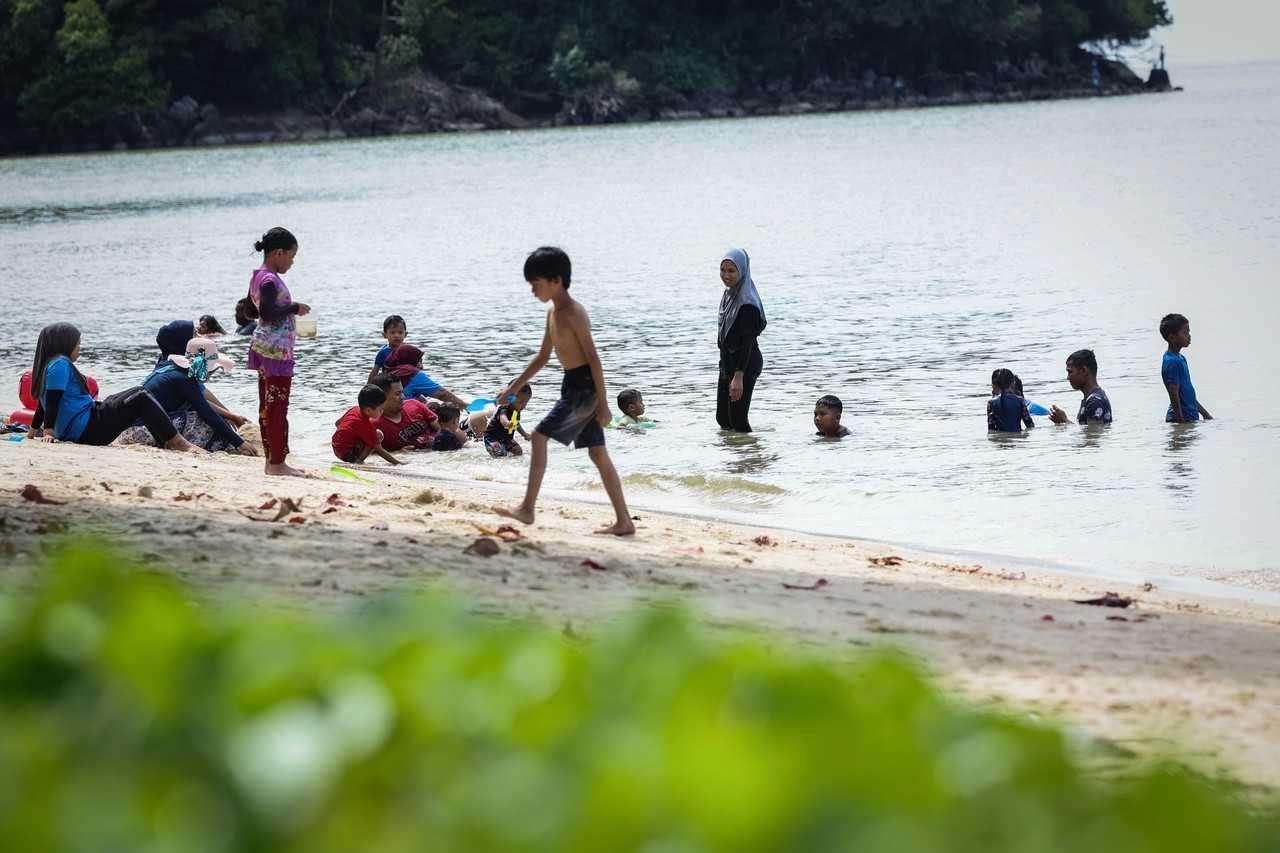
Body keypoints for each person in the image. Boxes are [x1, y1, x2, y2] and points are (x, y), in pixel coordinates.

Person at [493, 247, 634, 535]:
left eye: (536, 283)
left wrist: (604, 404)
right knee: (597, 454)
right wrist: (513, 387)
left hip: (584, 389)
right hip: (571, 384)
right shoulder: (553, 313)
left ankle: (528, 509)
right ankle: (624, 521)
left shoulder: (574, 313)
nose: (533, 290)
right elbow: (543, 357)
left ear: (556, 280)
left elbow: (594, 360)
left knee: (539, 436)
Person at [27, 322, 200, 453]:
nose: (79, 348)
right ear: (64, 344)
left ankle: (168, 441)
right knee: (140, 397)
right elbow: (51, 403)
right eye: (77, 343)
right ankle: (176, 442)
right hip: (88, 429)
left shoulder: (49, 366)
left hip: (87, 421)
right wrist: (48, 432)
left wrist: (32, 433)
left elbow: (42, 405)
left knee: (133, 394)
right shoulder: (60, 365)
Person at [241, 226, 311, 476]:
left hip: (263, 347)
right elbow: (268, 313)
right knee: (277, 406)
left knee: (267, 406)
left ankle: (272, 462)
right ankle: (277, 464)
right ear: (278, 253)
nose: (292, 262)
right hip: (275, 352)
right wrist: (294, 307)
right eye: (291, 257)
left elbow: (250, 311)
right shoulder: (270, 279)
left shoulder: (258, 277)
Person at [123, 337, 257, 454]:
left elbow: (201, 403)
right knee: (203, 421)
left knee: (205, 416)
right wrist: (239, 442)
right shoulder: (184, 379)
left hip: (130, 429)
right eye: (211, 372)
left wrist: (231, 416)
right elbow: (207, 413)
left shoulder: (173, 369)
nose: (210, 377)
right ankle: (227, 448)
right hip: (140, 431)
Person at [716, 248, 766, 433]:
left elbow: (746, 342)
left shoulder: (747, 304)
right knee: (723, 419)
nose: (726, 275)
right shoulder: (729, 296)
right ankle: (732, 458)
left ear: (742, 271)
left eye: (731, 271)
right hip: (728, 363)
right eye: (723, 270)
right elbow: (724, 338)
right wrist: (723, 367)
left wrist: (739, 377)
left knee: (737, 420)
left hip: (745, 364)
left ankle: (750, 458)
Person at [382, 344, 470, 410]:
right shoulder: (412, 374)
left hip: (392, 414)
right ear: (410, 361)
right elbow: (442, 394)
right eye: (419, 361)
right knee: (448, 410)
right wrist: (463, 405)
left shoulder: (388, 372)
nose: (422, 367)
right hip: (408, 416)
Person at [332, 385, 403, 465]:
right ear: (368, 410)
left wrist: (346, 438)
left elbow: (337, 423)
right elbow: (380, 450)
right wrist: (399, 463)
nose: (382, 411)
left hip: (335, 447)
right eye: (380, 410)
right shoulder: (366, 425)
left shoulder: (354, 409)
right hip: (347, 454)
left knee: (369, 436)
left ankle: (356, 455)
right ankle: (359, 461)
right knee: (378, 435)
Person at [1160, 313, 1212, 423]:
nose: (1189, 336)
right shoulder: (1172, 361)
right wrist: (1181, 422)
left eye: (1188, 331)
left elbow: (1187, 393)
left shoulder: (1181, 358)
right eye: (1185, 332)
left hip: (1189, 417)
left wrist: (1205, 414)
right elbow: (1173, 393)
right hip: (1179, 419)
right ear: (1172, 337)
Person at [369, 372, 439, 451]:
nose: (403, 397)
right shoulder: (374, 426)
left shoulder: (414, 404)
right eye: (397, 394)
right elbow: (371, 455)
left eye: (402, 392)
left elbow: (444, 427)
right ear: (381, 397)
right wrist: (398, 454)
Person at [1049, 349, 1112, 426]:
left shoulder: (1095, 402)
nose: (1068, 378)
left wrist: (1064, 421)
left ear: (1083, 371)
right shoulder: (1092, 398)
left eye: (1070, 372)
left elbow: (1093, 435)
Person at [484, 384, 532, 457]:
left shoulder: (517, 410)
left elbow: (517, 424)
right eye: (521, 402)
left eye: (526, 402)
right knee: (499, 453)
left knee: (518, 451)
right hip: (492, 438)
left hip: (506, 438)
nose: (523, 405)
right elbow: (502, 417)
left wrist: (524, 434)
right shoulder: (504, 408)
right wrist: (507, 423)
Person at [988, 368, 1034, 432]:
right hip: (1018, 438)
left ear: (994, 385)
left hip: (1000, 440)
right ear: (1012, 383)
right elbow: (1030, 425)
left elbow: (991, 429)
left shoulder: (991, 403)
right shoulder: (1020, 401)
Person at [367, 315, 408, 383]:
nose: (396, 335)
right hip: (390, 384)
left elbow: (418, 368)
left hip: (407, 382)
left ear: (405, 334)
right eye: (392, 332)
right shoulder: (383, 352)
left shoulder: (408, 350)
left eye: (400, 332)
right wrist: (368, 388)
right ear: (385, 335)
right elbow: (375, 371)